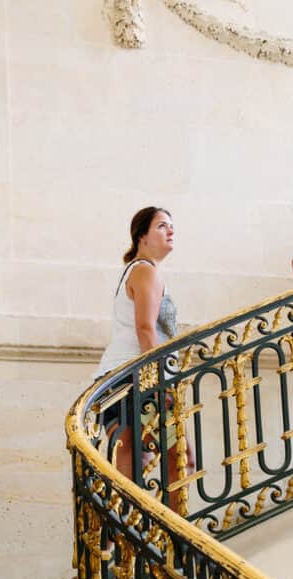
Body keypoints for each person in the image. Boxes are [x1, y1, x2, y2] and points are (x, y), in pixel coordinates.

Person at [93, 206, 191, 505]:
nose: (170, 231)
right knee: (181, 459)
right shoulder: (145, 270)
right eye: (162, 226)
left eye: (172, 226)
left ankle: (120, 541)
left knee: (134, 458)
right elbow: (146, 329)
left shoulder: (137, 270)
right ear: (141, 236)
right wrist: (161, 382)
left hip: (119, 380)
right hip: (139, 381)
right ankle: (176, 542)